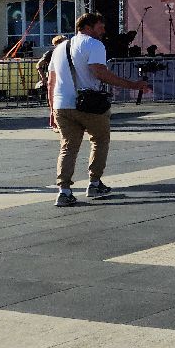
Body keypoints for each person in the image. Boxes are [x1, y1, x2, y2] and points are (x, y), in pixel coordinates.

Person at [48, 13, 152, 207]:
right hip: (88, 104)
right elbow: (100, 73)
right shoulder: (94, 45)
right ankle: (94, 183)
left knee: (68, 147)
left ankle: (64, 191)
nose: (103, 31)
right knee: (100, 140)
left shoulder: (59, 48)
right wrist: (134, 85)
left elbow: (51, 82)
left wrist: (52, 109)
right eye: (100, 26)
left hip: (62, 105)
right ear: (88, 27)